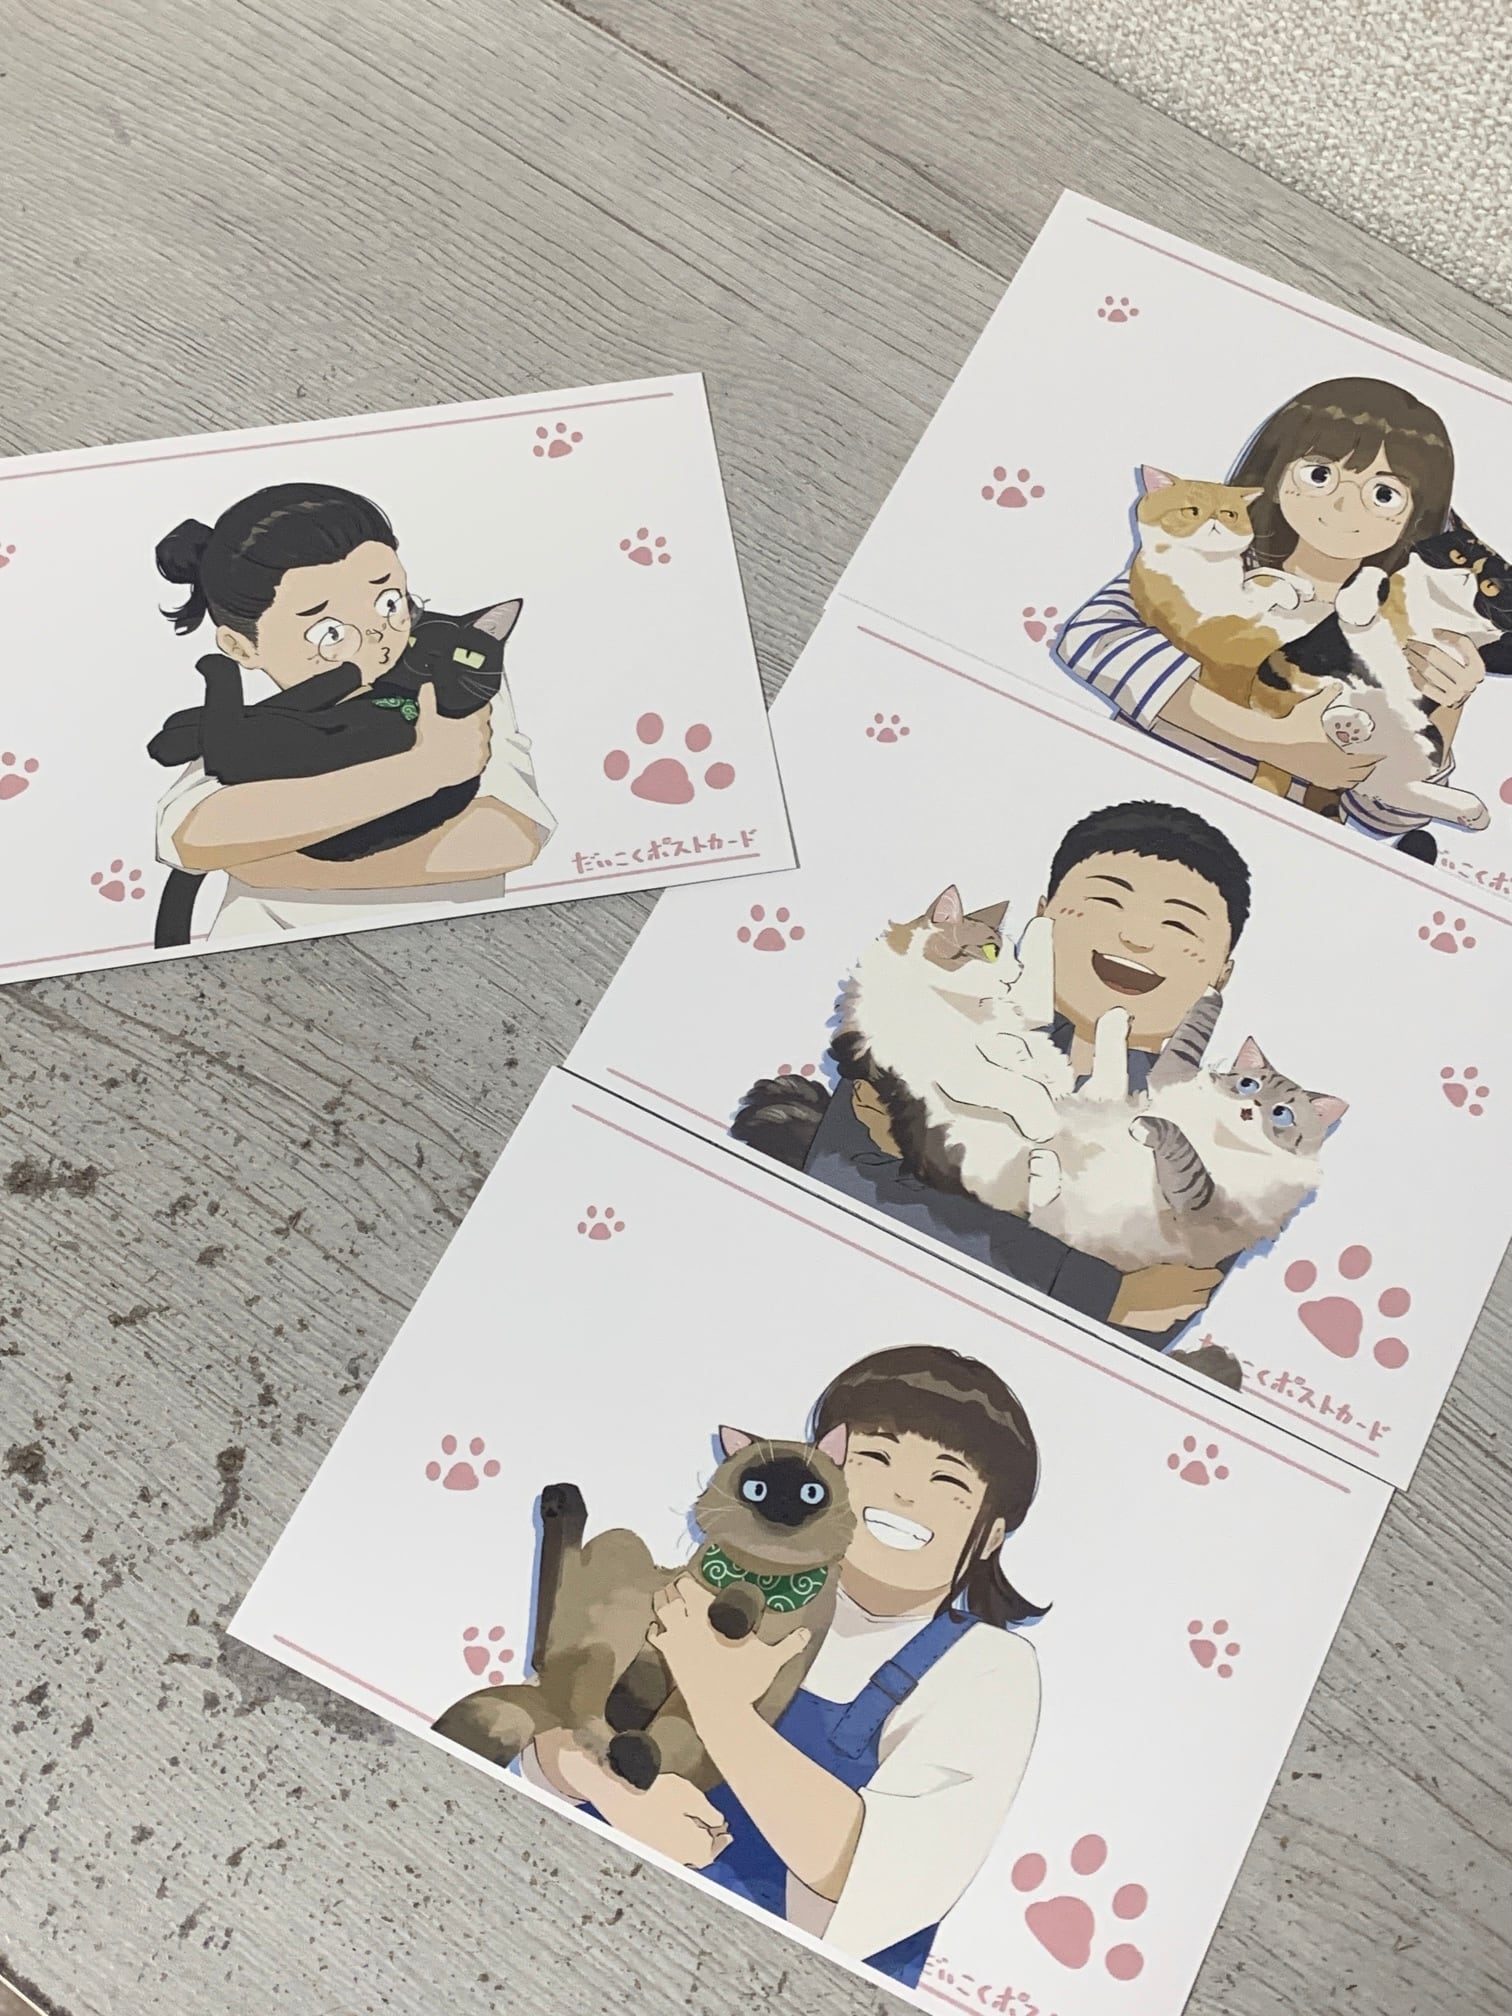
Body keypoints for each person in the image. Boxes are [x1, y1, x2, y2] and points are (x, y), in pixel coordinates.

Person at [521, 1344, 1045, 1991]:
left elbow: (879, 1877)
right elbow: (552, 1721)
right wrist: (608, 1791)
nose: (904, 1492)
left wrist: (717, 1704)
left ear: (990, 1534)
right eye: (876, 1458)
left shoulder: (987, 1669)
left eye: (948, 1482)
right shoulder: (718, 1582)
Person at [794, 802, 1250, 1382]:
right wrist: (1091, 1286)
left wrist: (945, 1210)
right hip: (831, 1304)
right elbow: (842, 1180)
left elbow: (1151, 1317)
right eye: (1107, 901)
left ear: (1221, 972)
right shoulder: (934, 1015)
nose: (1135, 938)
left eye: (1180, 926)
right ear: (1044, 913)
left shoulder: (1219, 1137)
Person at [1055, 377, 1486, 865]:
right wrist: (1269, 741)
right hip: (1131, 802)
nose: (1343, 506)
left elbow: (1382, 817)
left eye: (1384, 494)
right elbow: (1091, 637)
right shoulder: (1215, 552)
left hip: (1270, 852)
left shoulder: (1401, 630)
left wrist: (1447, 705)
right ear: (1276, 473)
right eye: (1320, 475)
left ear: (1417, 517)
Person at [152, 483, 554, 941]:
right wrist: (426, 769)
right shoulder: (263, 723)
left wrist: (273, 852)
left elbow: (506, 838)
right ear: (242, 647)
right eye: (327, 629)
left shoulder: (448, 662)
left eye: (390, 603)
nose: (376, 635)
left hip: (464, 946)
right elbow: (195, 836)